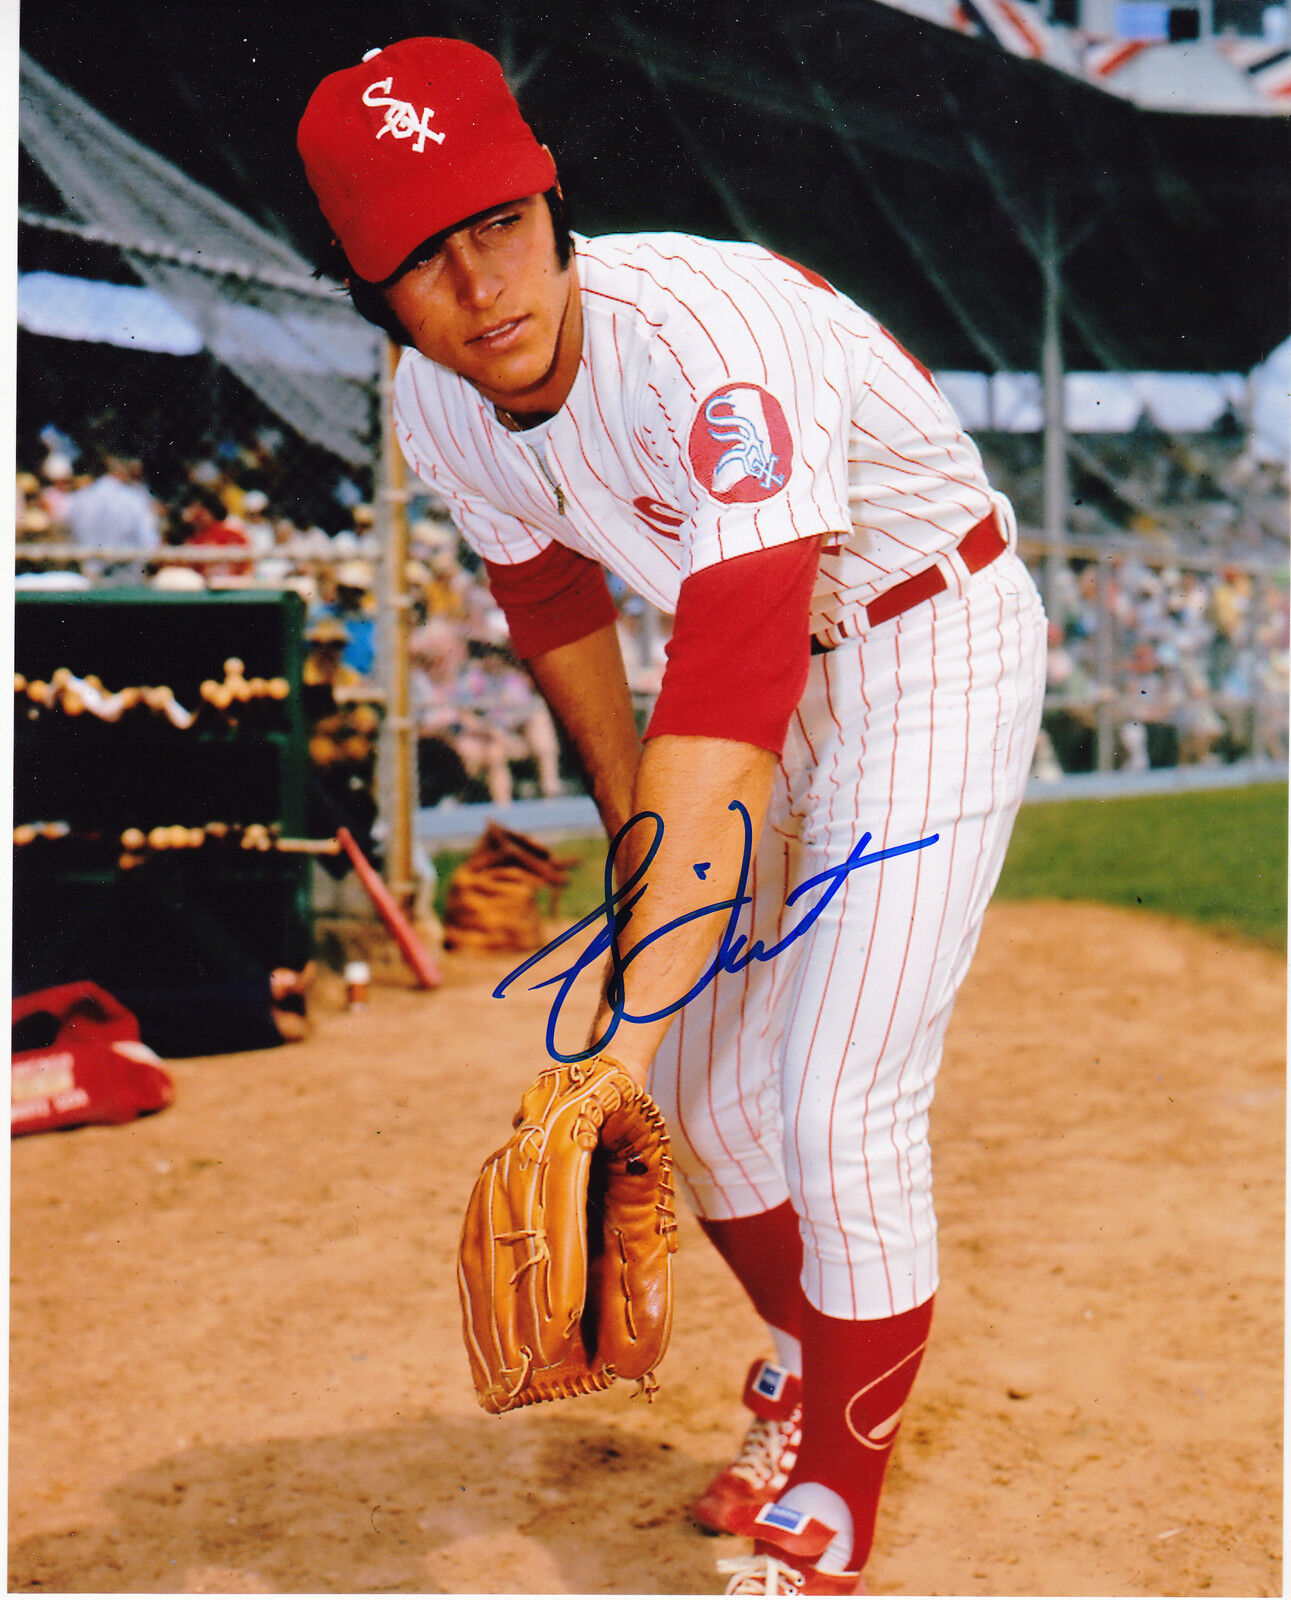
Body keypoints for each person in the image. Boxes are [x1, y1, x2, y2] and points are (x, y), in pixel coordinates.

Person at [298, 38, 1047, 1595]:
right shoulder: (436, 408)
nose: (481, 285)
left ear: (551, 201)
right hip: (761, 675)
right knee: (702, 1106)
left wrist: (604, 1049)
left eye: (497, 223)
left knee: (837, 1098)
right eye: (424, 262)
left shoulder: (707, 338)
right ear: (374, 299)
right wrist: (654, 967)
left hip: (928, 642)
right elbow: (572, 639)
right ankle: (802, 1358)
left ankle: (838, 1491)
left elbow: (726, 694)